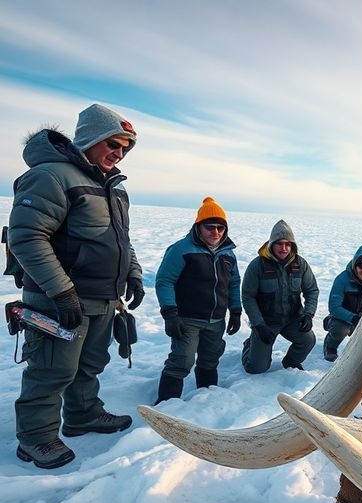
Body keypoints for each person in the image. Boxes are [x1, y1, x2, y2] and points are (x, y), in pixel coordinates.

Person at [7, 103, 143, 469]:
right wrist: (61, 291)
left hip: (102, 299)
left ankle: (83, 415)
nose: (119, 153)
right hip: (58, 299)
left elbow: (121, 240)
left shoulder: (112, 187)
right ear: (90, 138)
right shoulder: (51, 176)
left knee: (89, 365)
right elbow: (27, 237)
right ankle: (35, 439)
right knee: (52, 370)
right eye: (113, 143)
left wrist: (133, 274)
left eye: (125, 148)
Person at [154, 197, 242, 404]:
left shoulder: (228, 254)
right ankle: (165, 406)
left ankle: (206, 402)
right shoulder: (181, 250)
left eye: (220, 228)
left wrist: (235, 311)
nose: (216, 232)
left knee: (210, 359)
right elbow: (164, 281)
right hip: (187, 318)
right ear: (198, 227)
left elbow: (234, 283)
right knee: (182, 361)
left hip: (216, 320)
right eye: (210, 227)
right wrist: (170, 313)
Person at [241, 220, 318, 372]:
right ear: (271, 244)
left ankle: (290, 362)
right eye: (279, 244)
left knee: (308, 340)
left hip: (292, 319)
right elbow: (248, 297)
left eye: (288, 244)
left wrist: (308, 314)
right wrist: (259, 325)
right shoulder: (257, 266)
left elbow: (312, 291)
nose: (284, 248)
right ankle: (249, 346)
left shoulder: (300, 265)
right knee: (256, 368)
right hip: (266, 322)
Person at [322, 245, 362, 361]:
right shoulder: (342, 280)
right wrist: (353, 318)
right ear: (354, 265)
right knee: (340, 329)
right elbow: (334, 307)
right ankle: (330, 345)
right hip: (342, 318)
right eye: (360, 265)